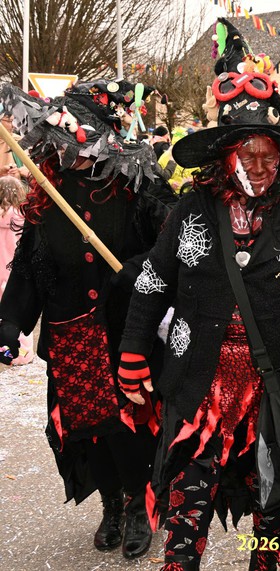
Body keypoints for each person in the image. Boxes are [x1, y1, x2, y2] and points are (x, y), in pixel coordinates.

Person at [118, 18, 280, 571]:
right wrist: (132, 353)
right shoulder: (193, 208)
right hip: (199, 384)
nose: (261, 167)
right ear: (225, 156)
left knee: (273, 512)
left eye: (270, 155)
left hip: (276, 389)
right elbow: (153, 281)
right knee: (185, 516)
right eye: (248, 155)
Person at [0, 79, 176, 559]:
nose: (64, 149)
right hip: (71, 333)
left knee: (132, 425)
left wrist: (141, 268)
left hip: (126, 329)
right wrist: (10, 323)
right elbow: (30, 268)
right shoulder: (48, 191)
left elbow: (177, 239)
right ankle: (111, 503)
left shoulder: (135, 183)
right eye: (57, 140)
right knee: (89, 429)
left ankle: (140, 503)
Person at [0, 175, 33, 365]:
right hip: (15, 272)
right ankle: (21, 354)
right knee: (18, 314)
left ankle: (2, 353)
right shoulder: (24, 217)